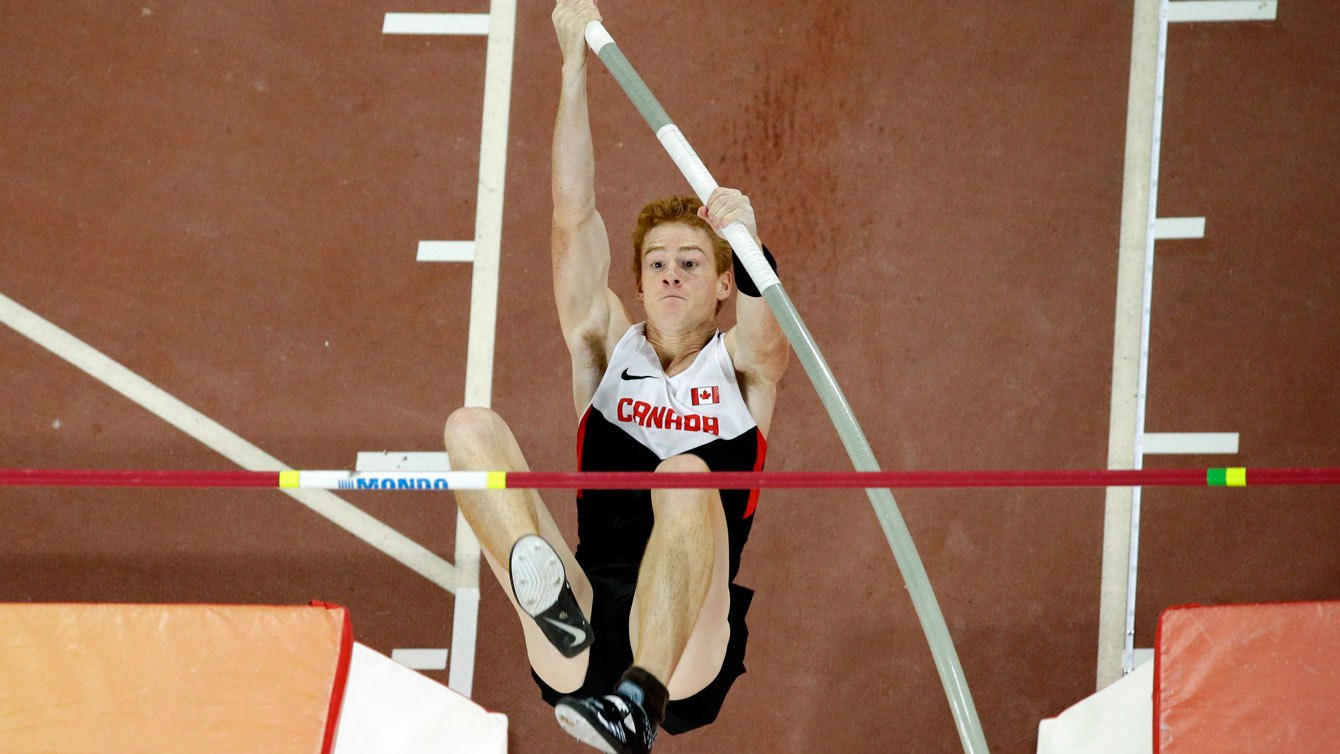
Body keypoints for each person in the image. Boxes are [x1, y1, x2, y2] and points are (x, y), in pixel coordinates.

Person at [442, 1, 788, 751]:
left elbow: (769, 334)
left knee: (686, 475)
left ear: (725, 285)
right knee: (470, 430)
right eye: (657, 264)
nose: (670, 276)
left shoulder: (744, 372)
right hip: (589, 619)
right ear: (634, 282)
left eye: (691, 264)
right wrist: (572, 67)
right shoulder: (605, 350)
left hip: (689, 647)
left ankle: (638, 698)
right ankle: (549, 602)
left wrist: (750, 240)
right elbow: (574, 217)